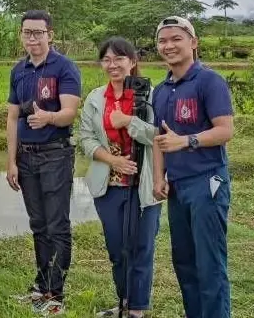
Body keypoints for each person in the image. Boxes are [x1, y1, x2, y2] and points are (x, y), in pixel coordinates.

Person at [151, 16, 234, 318]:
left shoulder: (209, 81)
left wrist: (187, 141)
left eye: (176, 39)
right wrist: (159, 176)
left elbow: (225, 131)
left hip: (207, 182)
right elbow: (159, 137)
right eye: (163, 40)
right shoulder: (160, 90)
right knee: (184, 261)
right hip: (177, 187)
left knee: (209, 263)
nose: (168, 45)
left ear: (193, 43)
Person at [78, 37, 164, 318]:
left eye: (119, 58)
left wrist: (130, 122)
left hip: (144, 185)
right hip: (109, 184)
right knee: (117, 248)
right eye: (107, 59)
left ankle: (136, 311)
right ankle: (124, 303)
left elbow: (161, 136)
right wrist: (113, 160)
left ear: (133, 61)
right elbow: (86, 139)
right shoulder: (95, 97)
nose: (112, 65)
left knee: (141, 249)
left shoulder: (153, 95)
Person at [5, 9, 82, 315]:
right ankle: (41, 286)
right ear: (21, 35)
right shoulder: (19, 70)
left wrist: (48, 117)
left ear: (50, 34)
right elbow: (12, 117)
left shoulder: (64, 67)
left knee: (57, 224)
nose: (33, 38)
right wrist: (10, 161)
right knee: (38, 224)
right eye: (27, 32)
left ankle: (56, 294)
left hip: (56, 154)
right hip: (26, 157)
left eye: (38, 33)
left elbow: (69, 111)